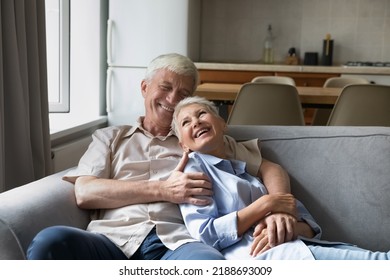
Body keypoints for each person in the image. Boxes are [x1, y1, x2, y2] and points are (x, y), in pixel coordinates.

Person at [27, 53, 292, 260]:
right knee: (50, 242)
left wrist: (276, 207)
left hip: (176, 243)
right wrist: (164, 189)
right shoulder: (110, 138)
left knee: (207, 265)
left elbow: (271, 169)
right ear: (144, 87)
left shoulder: (201, 138)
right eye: (165, 87)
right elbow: (85, 192)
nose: (172, 99)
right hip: (110, 240)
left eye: (184, 94)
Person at [171, 95, 390, 260]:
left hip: (300, 246)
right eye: (186, 122)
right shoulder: (193, 170)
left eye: (201, 114)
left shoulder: (245, 168)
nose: (196, 122)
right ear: (183, 145)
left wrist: (284, 224)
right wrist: (266, 204)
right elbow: (206, 234)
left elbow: (311, 226)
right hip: (269, 257)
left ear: (222, 123)